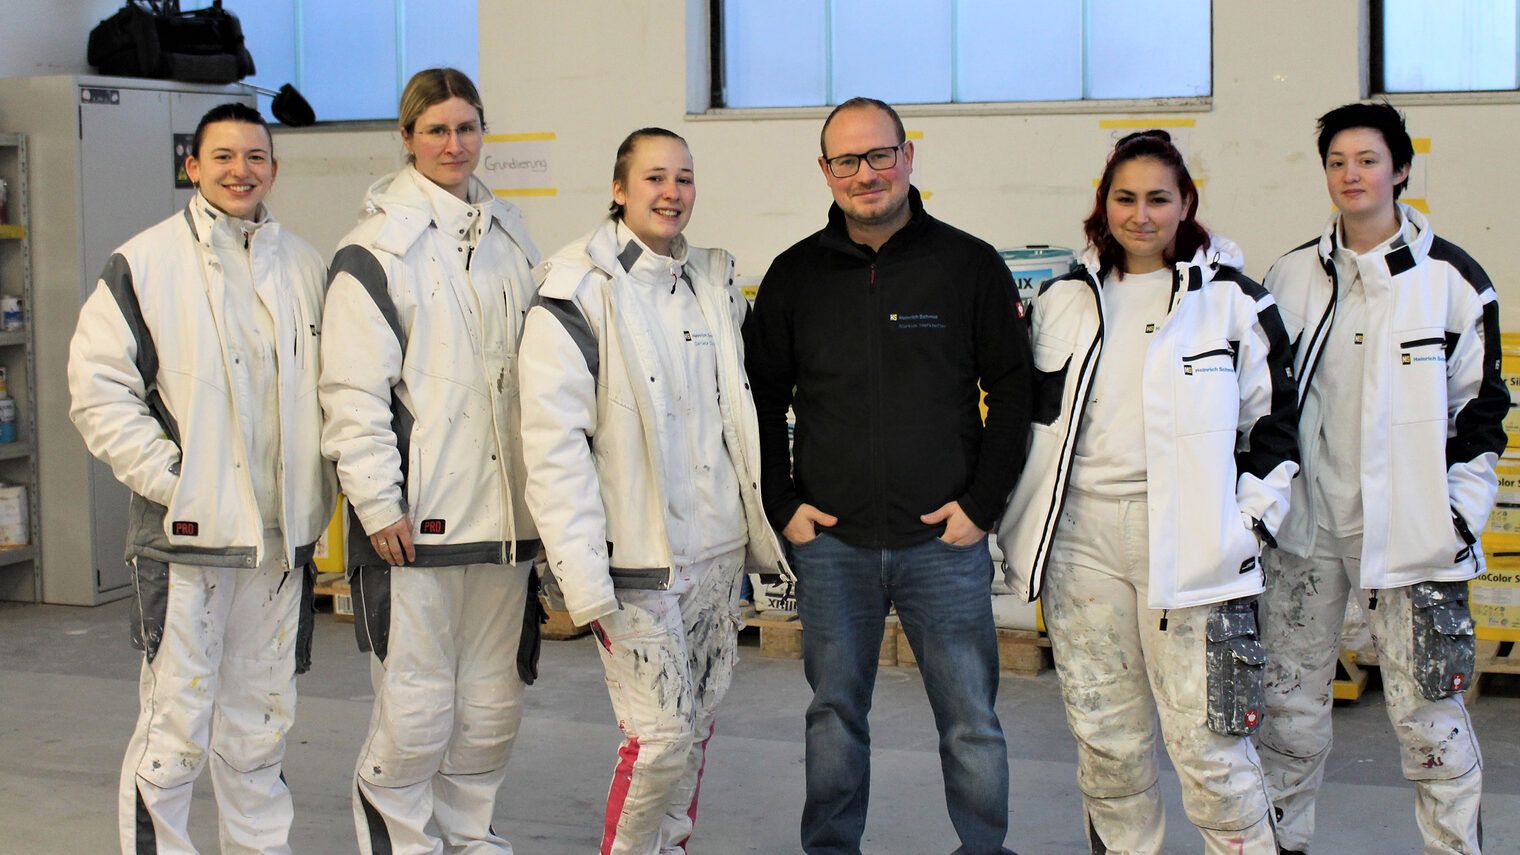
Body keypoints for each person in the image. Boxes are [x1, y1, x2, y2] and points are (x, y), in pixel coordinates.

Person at [995, 129, 1299, 854]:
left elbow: (1275, 428)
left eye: (1158, 198)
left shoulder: (1233, 303)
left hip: (1193, 546)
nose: (1140, 214)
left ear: (1186, 203)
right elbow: (1031, 417)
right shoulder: (1065, 299)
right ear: (1103, 206)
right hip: (1084, 543)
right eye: (1124, 198)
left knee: (1210, 744)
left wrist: (1248, 528)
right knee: (1108, 741)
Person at [745, 97, 1030, 855]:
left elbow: (1012, 389)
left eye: (879, 155)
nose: (864, 173)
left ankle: (983, 848)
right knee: (834, 713)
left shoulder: (967, 264)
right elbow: (759, 399)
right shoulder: (795, 275)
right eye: (847, 160)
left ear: (908, 157)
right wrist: (784, 504)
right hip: (832, 543)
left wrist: (982, 504)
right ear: (825, 170)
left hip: (944, 541)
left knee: (971, 717)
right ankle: (832, 848)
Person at [68, 102, 336, 855]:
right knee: (174, 731)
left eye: (255, 157)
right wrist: (177, 481)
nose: (239, 170)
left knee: (260, 726)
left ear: (274, 170)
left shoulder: (306, 267)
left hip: (280, 550)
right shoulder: (145, 263)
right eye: (222, 156)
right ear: (193, 167)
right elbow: (97, 388)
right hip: (186, 547)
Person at [517, 126, 787, 855]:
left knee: (693, 728)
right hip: (633, 560)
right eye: (655, 178)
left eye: (684, 179)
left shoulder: (712, 281)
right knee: (660, 736)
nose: (672, 193)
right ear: (619, 187)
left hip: (714, 550)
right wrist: (579, 575)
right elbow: (552, 446)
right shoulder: (576, 289)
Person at [1257, 102, 1506, 855]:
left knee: (1431, 716)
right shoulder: (1290, 275)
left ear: (1400, 169)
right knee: (1289, 707)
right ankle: (1285, 841)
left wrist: (1457, 518)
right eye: (1337, 162)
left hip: (1412, 537)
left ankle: (1454, 847)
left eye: (1367, 160)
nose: (1351, 174)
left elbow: (1482, 411)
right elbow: (1263, 405)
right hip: (1309, 534)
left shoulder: (1452, 282)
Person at [318, 68, 541, 855]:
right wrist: (378, 503)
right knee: (414, 713)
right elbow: (351, 391)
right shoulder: (374, 250)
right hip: (415, 525)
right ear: (407, 137)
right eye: (437, 129)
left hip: (507, 521)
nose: (455, 144)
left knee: (490, 705)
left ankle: (471, 838)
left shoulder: (512, 237)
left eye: (468, 127)